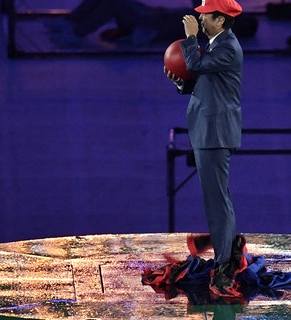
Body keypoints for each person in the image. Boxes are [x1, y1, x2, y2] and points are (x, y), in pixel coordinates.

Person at [164, 0, 244, 298]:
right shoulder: (215, 44)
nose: (200, 20)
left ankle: (225, 265)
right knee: (215, 198)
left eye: (205, 17)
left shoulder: (227, 48)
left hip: (215, 133)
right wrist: (182, 84)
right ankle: (227, 248)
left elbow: (196, 65)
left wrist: (190, 37)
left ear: (221, 20)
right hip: (205, 129)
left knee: (217, 200)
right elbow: (202, 80)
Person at [47, 0, 257, 46]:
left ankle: (76, 30)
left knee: (114, 4)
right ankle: (72, 23)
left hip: (150, 23)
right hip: (152, 19)